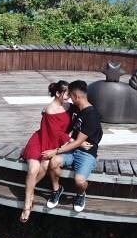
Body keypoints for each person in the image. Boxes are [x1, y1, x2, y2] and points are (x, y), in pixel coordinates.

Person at [43, 80, 103, 213]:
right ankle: (57, 189)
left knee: (79, 181)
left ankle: (81, 194)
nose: (69, 97)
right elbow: (59, 108)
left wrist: (56, 151)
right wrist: (46, 111)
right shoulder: (76, 108)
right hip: (72, 149)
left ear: (77, 97)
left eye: (70, 95)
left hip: (87, 153)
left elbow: (78, 142)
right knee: (54, 162)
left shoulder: (92, 116)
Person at [19, 81, 72, 223]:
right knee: (33, 168)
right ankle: (27, 204)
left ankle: (29, 190)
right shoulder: (50, 109)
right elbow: (56, 132)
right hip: (41, 139)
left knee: (45, 166)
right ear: (58, 94)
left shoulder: (69, 106)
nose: (69, 96)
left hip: (53, 142)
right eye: (67, 93)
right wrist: (72, 140)